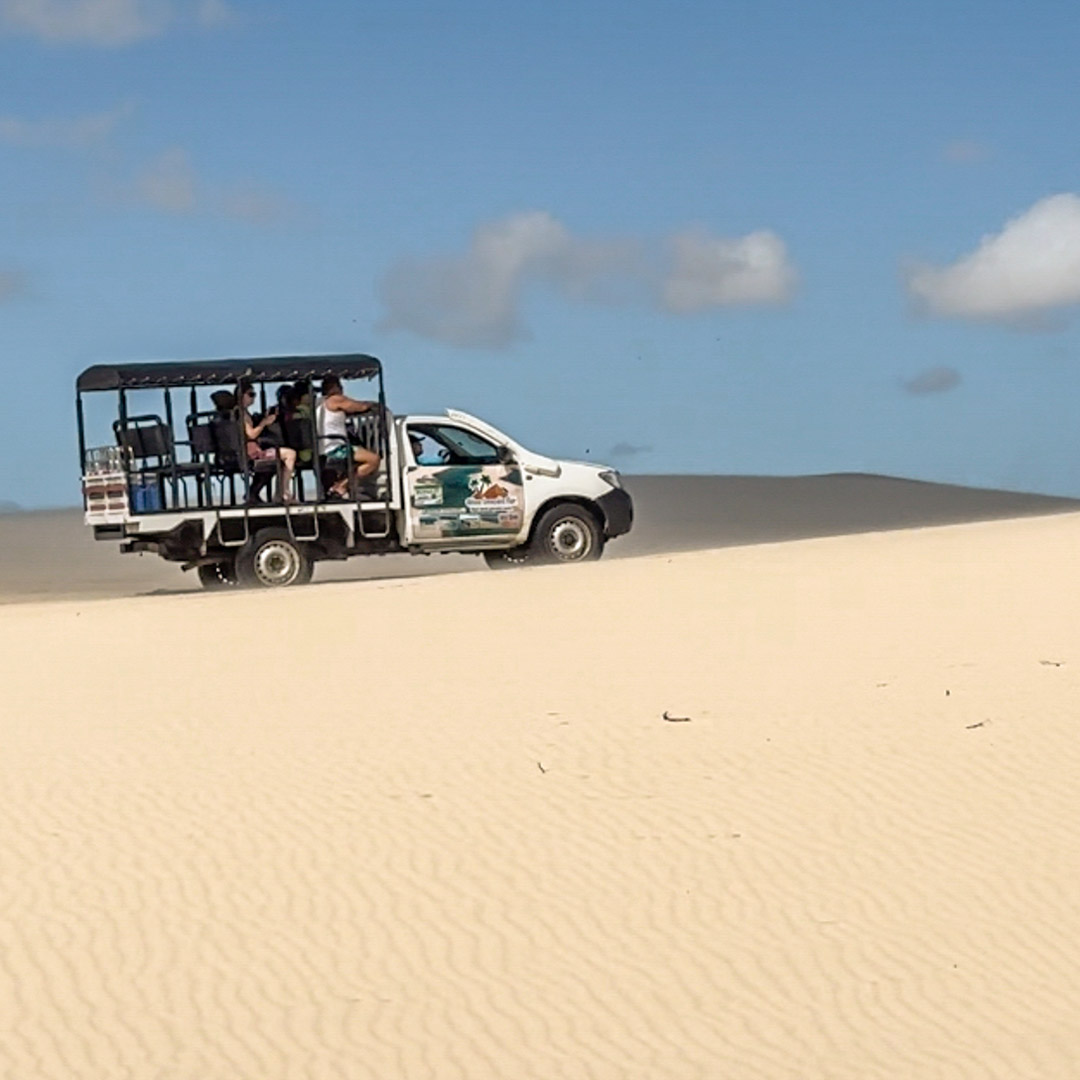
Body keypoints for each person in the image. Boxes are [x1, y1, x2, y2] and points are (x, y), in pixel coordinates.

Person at [316, 374, 380, 497]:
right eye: (340, 386)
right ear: (334, 387)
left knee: (356, 462)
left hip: (322, 447)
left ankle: (345, 488)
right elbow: (358, 407)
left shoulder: (318, 403)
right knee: (373, 459)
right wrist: (371, 405)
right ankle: (342, 485)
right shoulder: (335, 400)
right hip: (335, 447)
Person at [238, 379, 296, 503]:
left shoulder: (238, 412)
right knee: (290, 454)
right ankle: (284, 493)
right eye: (251, 394)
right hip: (253, 453)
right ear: (241, 395)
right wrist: (264, 422)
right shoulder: (242, 414)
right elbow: (251, 434)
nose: (253, 398)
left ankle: (259, 493)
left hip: (246, 452)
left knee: (277, 460)